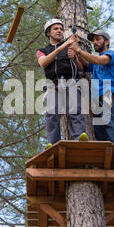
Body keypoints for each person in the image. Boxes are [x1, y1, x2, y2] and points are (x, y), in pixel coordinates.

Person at [36, 19, 88, 149]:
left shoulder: (70, 47)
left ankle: (79, 139)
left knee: (75, 110)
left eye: (61, 29)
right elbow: (43, 63)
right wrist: (62, 48)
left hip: (70, 82)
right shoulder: (43, 50)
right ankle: (53, 144)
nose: (59, 31)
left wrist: (74, 58)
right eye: (55, 29)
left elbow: (80, 68)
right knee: (52, 115)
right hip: (53, 85)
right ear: (49, 32)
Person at [68, 30, 114, 147]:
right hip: (97, 97)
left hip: (110, 93)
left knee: (107, 122)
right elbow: (86, 66)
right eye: (94, 41)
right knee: (98, 128)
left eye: (98, 39)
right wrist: (75, 54)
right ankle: (104, 155)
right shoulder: (95, 65)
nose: (95, 42)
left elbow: (98, 61)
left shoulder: (112, 55)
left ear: (106, 41)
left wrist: (78, 50)